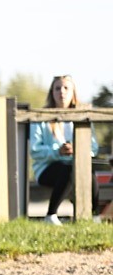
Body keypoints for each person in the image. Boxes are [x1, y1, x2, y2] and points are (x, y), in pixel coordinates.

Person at [28, 75, 99, 225]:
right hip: (47, 169)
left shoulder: (82, 116)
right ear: (51, 92)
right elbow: (34, 150)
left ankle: (94, 215)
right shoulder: (41, 117)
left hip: (74, 166)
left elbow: (93, 147)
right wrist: (57, 151)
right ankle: (51, 214)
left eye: (66, 88)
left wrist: (79, 150)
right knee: (68, 169)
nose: (62, 92)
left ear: (73, 92)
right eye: (57, 88)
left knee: (87, 171)